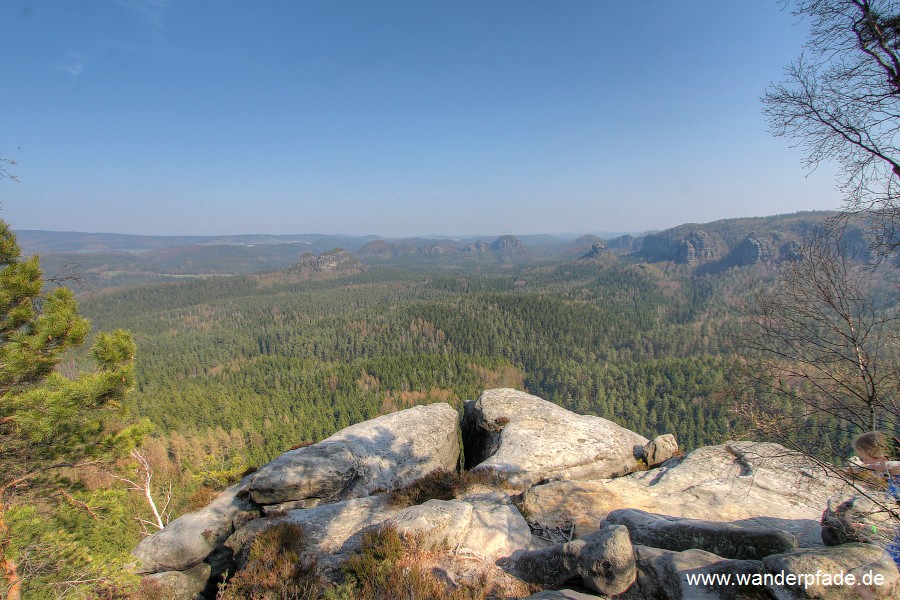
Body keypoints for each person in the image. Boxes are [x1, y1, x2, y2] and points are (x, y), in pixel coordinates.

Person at [852, 432, 900, 569]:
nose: (864, 464)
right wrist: (872, 528)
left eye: (865, 459)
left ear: (882, 458)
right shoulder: (894, 478)